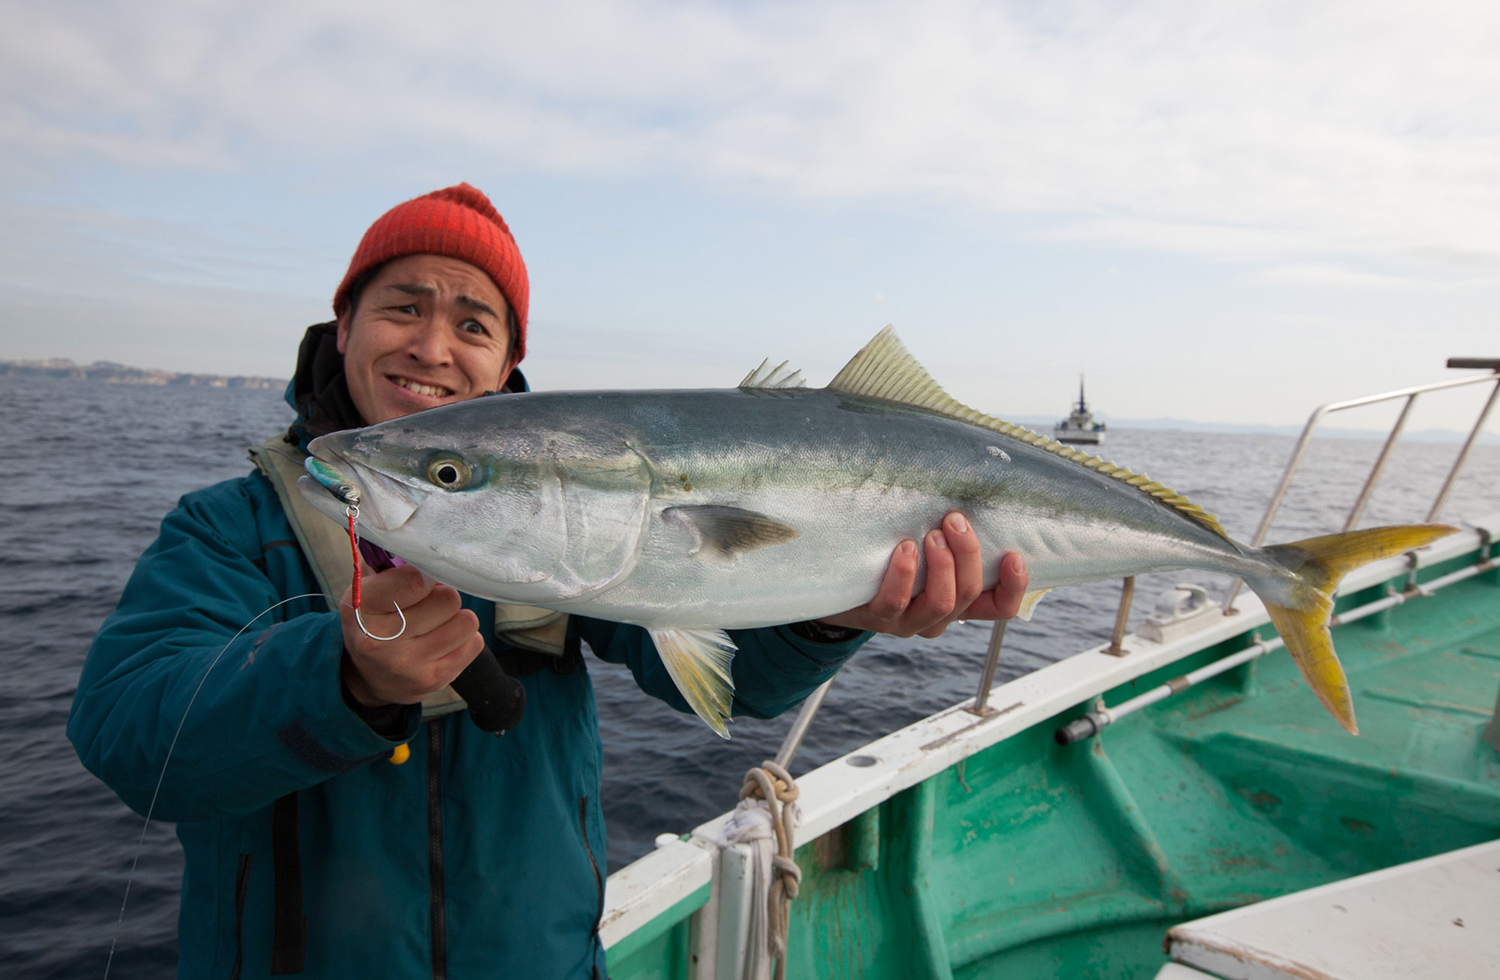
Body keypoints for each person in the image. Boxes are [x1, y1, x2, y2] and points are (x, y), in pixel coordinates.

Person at [69, 184, 1029, 979]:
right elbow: (127, 736)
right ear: (345, 322)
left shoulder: (566, 518)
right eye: (402, 306)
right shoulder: (228, 528)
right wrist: (343, 677)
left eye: (472, 323)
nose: (432, 348)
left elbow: (731, 681)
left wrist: (830, 618)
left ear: (506, 363)